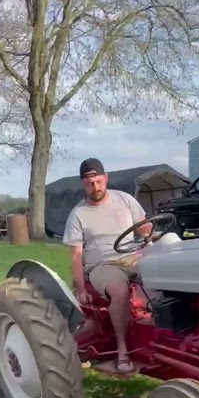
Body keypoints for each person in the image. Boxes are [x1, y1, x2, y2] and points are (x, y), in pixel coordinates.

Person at [62, 158, 151, 373]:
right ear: (83, 184)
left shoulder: (125, 200)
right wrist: (81, 289)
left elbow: (144, 228)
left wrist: (150, 234)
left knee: (165, 278)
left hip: (134, 258)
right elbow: (76, 255)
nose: (96, 188)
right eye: (89, 184)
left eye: (99, 182)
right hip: (102, 265)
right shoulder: (78, 214)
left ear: (106, 178)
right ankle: (123, 350)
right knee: (119, 290)